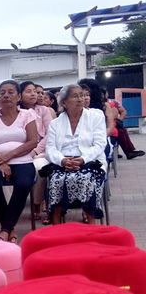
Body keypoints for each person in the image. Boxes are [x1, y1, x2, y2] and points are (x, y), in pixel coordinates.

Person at [0, 80, 38, 243]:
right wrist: (0, 162)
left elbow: (32, 141)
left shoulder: (27, 115)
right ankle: (9, 229)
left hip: (23, 160)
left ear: (19, 96)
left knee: (24, 184)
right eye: (3, 93)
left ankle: (5, 229)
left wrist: (8, 156)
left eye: (11, 92)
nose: (6, 96)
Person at [45, 84, 107, 224]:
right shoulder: (55, 123)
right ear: (64, 103)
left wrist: (83, 159)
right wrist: (62, 160)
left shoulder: (95, 117)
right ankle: (56, 227)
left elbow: (99, 144)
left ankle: (91, 225)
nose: (80, 99)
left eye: (82, 95)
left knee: (86, 178)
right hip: (64, 161)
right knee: (56, 180)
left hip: (90, 160)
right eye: (75, 96)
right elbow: (50, 149)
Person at [19, 81, 54, 222]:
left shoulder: (44, 110)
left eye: (34, 91)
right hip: (20, 152)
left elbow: (50, 134)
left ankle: (37, 204)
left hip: (40, 152)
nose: (33, 94)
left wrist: (35, 151)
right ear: (20, 95)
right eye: (28, 91)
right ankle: (10, 208)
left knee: (39, 169)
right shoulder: (16, 111)